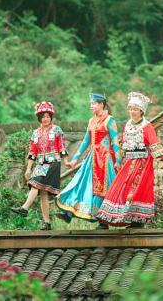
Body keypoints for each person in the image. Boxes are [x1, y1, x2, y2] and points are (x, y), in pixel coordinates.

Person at [97, 92, 163, 227]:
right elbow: (123, 144)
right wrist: (119, 160)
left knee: (137, 190)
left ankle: (137, 220)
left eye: (135, 109)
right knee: (119, 186)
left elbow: (154, 143)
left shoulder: (147, 126)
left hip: (143, 163)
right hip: (129, 162)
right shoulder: (127, 125)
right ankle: (107, 219)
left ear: (141, 111)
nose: (132, 112)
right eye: (130, 109)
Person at [56, 93, 121, 228]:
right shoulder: (91, 121)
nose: (91, 106)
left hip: (104, 159)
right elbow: (86, 141)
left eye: (94, 104)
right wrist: (74, 159)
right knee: (80, 183)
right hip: (91, 158)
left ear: (101, 104)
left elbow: (115, 142)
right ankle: (68, 212)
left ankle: (103, 221)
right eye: (91, 104)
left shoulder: (109, 120)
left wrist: (118, 160)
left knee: (104, 189)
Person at [11, 101, 68, 230]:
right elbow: (32, 152)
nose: (45, 119)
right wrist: (28, 168)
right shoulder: (35, 133)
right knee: (42, 193)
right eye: (43, 116)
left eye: (48, 116)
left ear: (51, 117)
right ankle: (47, 222)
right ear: (39, 118)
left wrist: (66, 162)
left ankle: (24, 208)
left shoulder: (57, 130)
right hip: (40, 164)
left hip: (53, 163)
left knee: (35, 183)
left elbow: (62, 148)